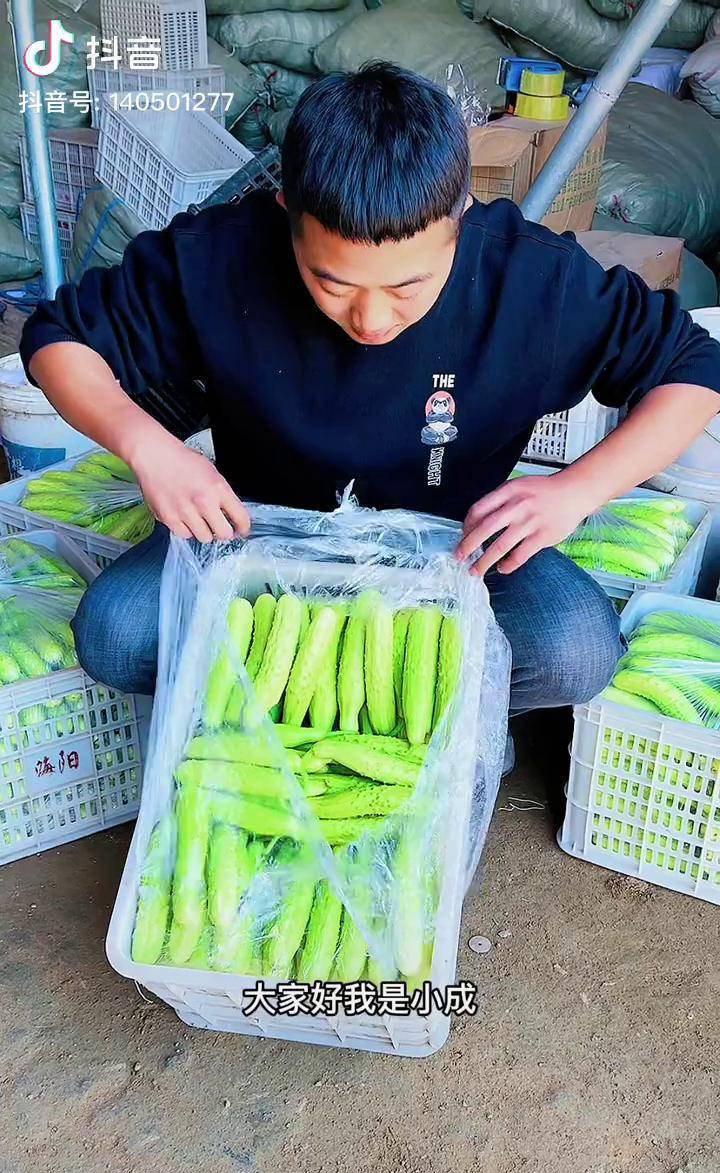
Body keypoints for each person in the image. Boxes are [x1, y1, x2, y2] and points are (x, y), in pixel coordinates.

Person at [20, 62, 720, 724]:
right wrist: (146, 445)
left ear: (459, 213)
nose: (372, 319)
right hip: (249, 532)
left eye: (408, 286)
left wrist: (576, 490)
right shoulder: (217, 255)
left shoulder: (531, 280)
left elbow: (695, 369)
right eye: (333, 283)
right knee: (117, 636)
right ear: (288, 211)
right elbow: (58, 339)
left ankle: (440, 726)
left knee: (574, 651)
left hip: (455, 545)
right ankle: (281, 720)